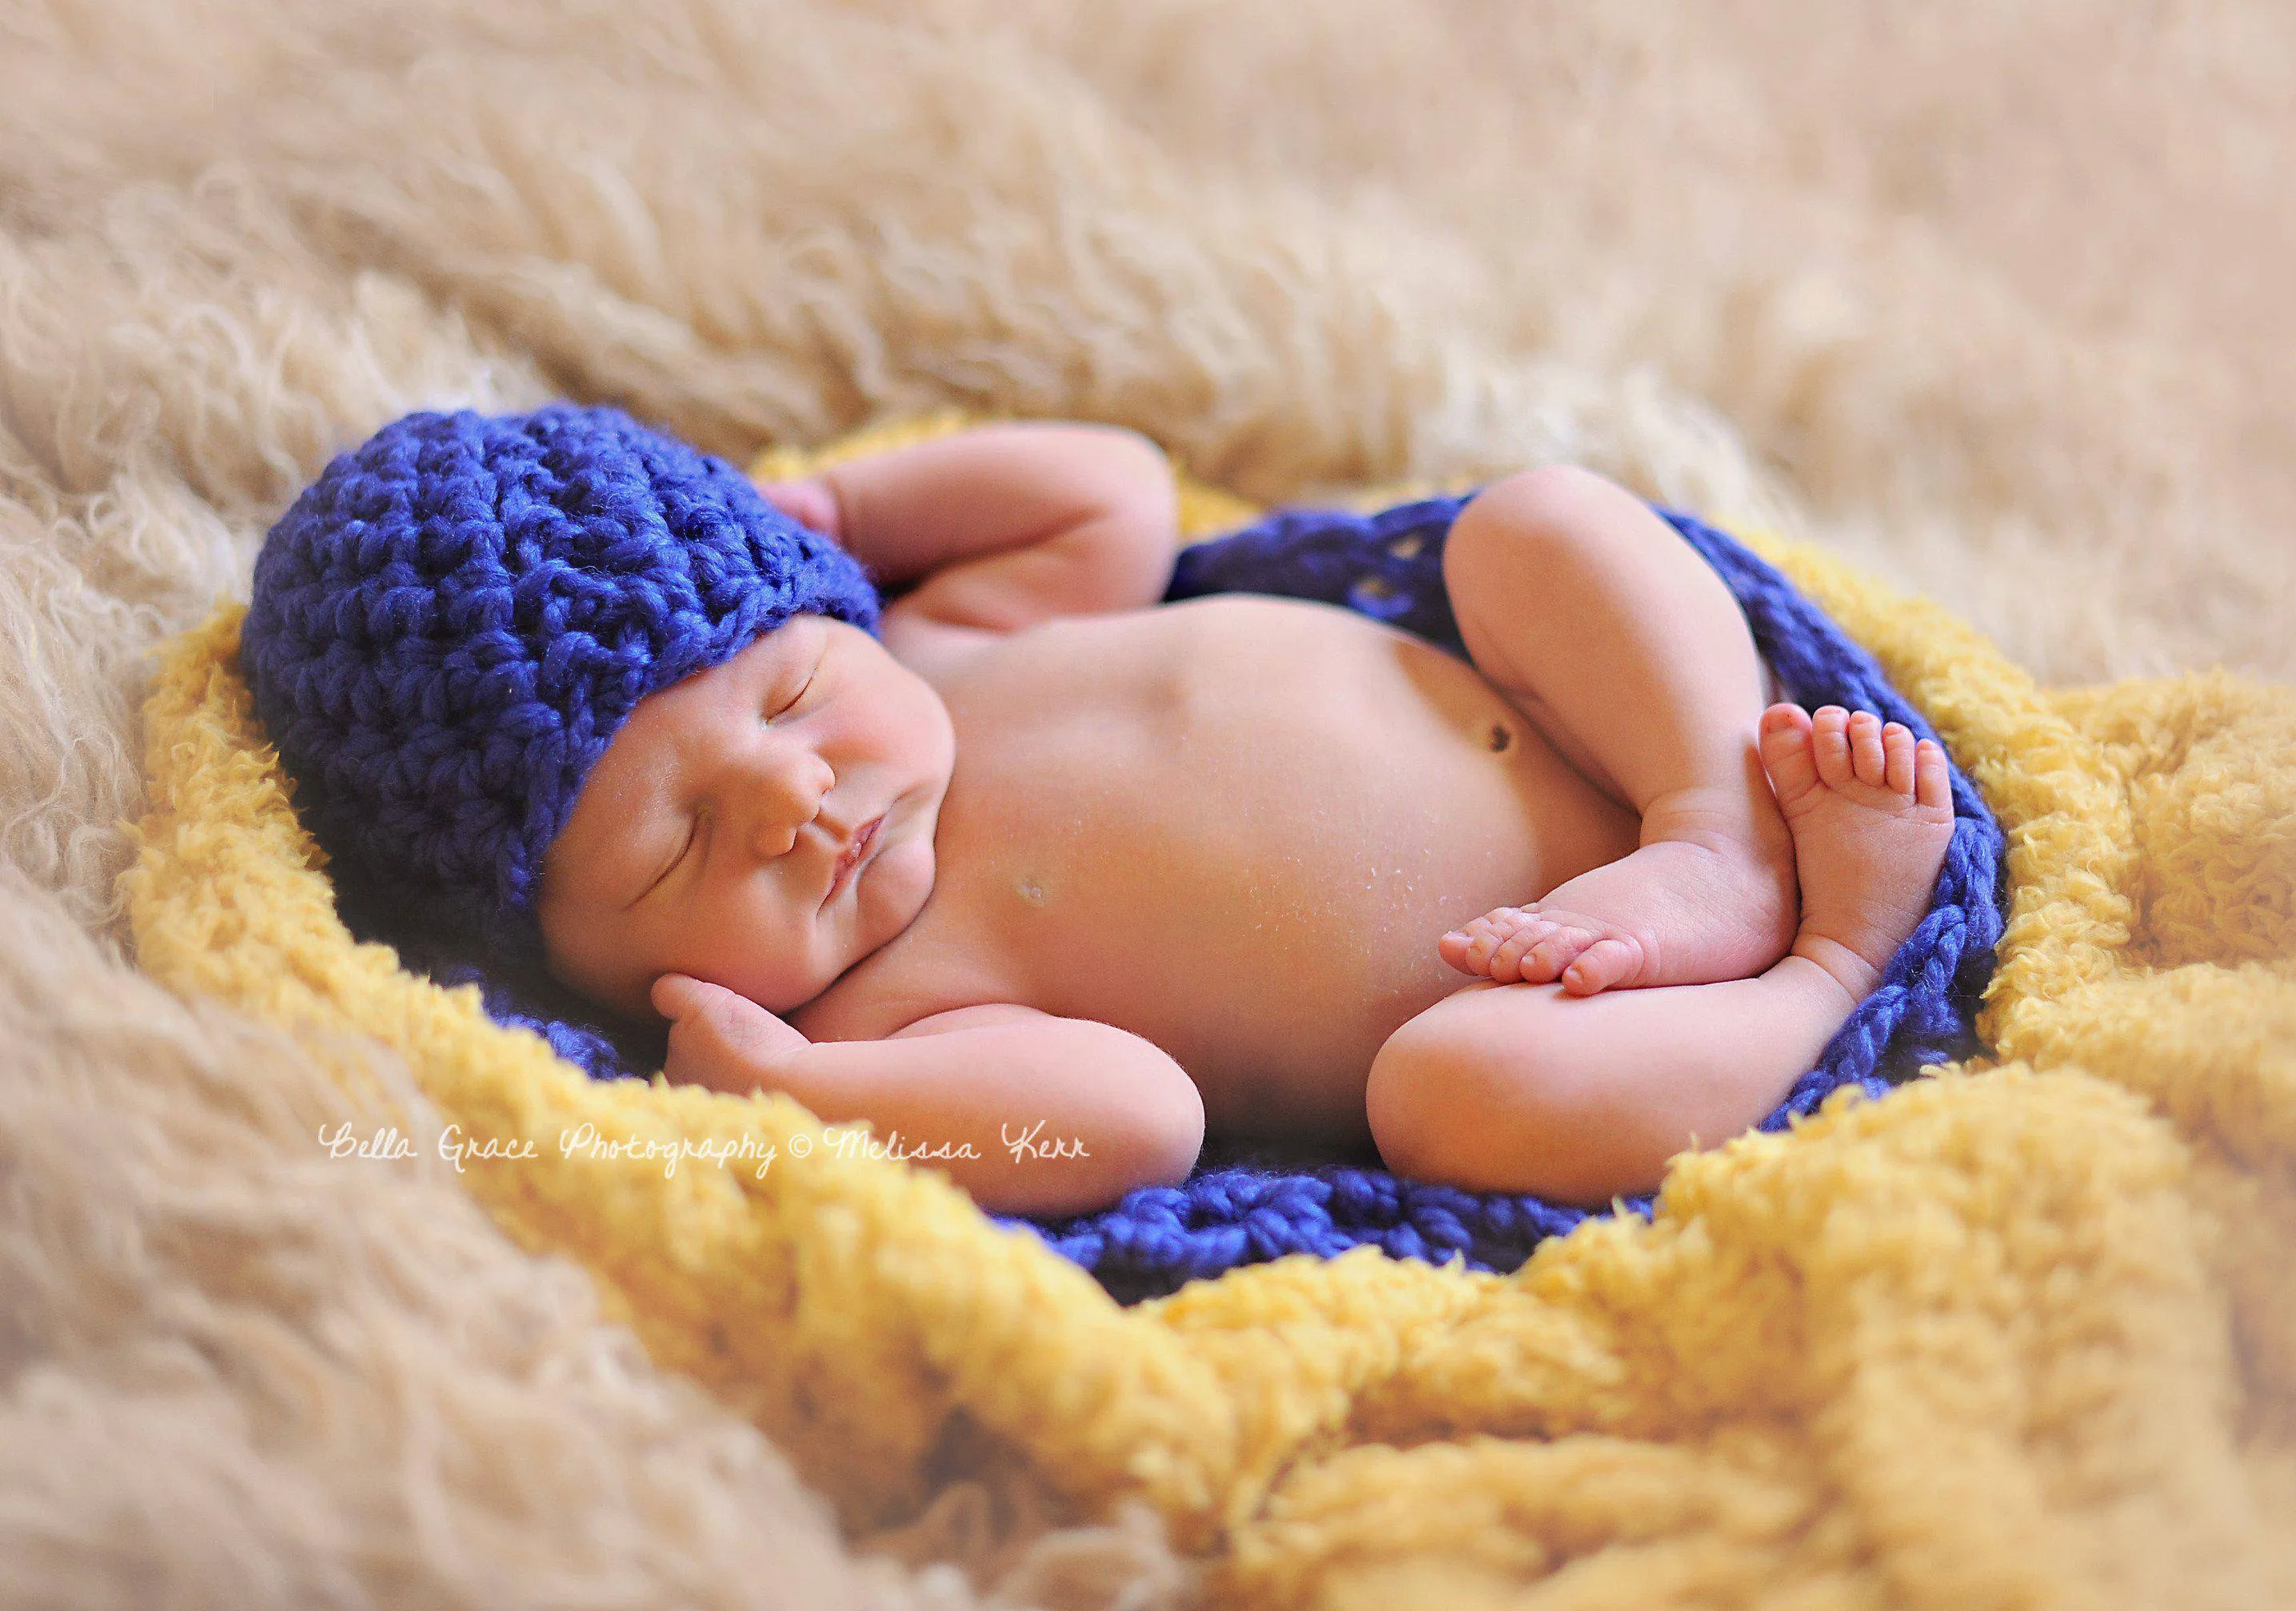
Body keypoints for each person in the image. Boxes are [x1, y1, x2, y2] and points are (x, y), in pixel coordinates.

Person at [244, 407, 1955, 1218]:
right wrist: (821, 1096)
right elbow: (1128, 1124)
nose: (793, 797)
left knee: (1536, 525)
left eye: (784, 697)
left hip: (1604, 752)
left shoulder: (957, 632)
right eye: (675, 845)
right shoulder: (884, 1011)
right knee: (1457, 1101)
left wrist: (845, 500)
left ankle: (1714, 827)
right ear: (564, 963)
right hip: (1535, 1018)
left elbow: (1113, 486)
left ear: (826, 603)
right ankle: (1815, 962)